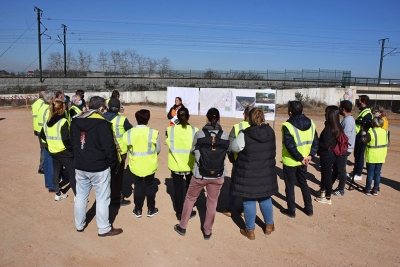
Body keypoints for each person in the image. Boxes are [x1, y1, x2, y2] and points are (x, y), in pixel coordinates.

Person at [174, 108, 230, 240]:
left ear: (207, 118)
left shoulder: (199, 134)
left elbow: (193, 150)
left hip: (200, 174)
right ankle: (207, 231)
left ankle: (182, 226)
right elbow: (226, 152)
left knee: (190, 199)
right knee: (212, 202)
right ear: (219, 118)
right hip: (218, 175)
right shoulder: (225, 135)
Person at [71, 96, 122, 237]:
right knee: (102, 198)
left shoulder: (76, 120)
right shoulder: (103, 124)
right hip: (99, 167)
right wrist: (113, 164)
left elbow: (73, 142)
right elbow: (109, 148)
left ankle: (79, 224)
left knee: (81, 196)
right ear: (100, 108)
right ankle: (104, 228)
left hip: (80, 165)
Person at [230, 108, 278, 240]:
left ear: (249, 119)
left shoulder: (245, 134)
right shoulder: (270, 132)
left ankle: (250, 230)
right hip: (266, 172)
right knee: (265, 198)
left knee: (249, 200)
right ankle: (269, 225)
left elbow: (235, 147)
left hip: (248, 173)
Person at [120, 109, 161, 218]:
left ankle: (138, 210)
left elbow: (124, 149)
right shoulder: (153, 132)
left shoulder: (129, 133)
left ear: (136, 119)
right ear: (148, 119)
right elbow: (158, 149)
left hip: (135, 165)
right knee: (150, 186)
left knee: (138, 187)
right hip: (150, 164)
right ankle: (151, 209)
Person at [281, 101, 318, 217]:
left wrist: (301, 158)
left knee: (290, 186)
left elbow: (289, 145)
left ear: (290, 112)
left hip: (291, 161)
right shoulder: (311, 123)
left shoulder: (287, 125)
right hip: (305, 160)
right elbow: (315, 142)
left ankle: (291, 211)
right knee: (303, 184)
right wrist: (310, 156)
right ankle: (309, 208)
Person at [166, 107, 198, 220]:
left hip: (176, 165)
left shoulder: (170, 130)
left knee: (178, 189)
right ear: (188, 117)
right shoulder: (195, 130)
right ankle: (188, 211)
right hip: (190, 164)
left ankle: (179, 213)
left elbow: (168, 142)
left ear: (177, 117)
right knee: (190, 190)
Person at [40, 100, 76, 201]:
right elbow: (65, 138)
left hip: (53, 151)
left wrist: (49, 145)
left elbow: (42, 135)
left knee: (56, 171)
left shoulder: (48, 121)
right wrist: (71, 149)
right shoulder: (63, 121)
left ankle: (58, 193)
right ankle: (77, 196)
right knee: (72, 173)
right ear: (60, 109)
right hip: (64, 152)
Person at [222, 105, 253, 217]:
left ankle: (229, 208)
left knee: (234, 185)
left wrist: (232, 160)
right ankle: (245, 210)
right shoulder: (259, 127)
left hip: (239, 161)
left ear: (244, 115)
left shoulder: (237, 126)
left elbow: (230, 147)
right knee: (248, 186)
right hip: (253, 162)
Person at [103, 98, 132, 206]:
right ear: (119, 108)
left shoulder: (101, 117)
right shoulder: (122, 120)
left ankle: (105, 197)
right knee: (117, 177)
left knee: (105, 175)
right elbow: (130, 131)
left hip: (104, 152)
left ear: (108, 107)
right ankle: (116, 199)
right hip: (119, 152)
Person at [315, 106, 343, 205]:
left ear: (330, 115)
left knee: (326, 176)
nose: (324, 114)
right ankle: (322, 191)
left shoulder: (328, 128)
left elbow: (325, 144)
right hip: (333, 154)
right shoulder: (338, 126)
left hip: (326, 154)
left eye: (326, 113)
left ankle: (327, 197)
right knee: (325, 174)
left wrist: (317, 145)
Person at [332, 100, 356, 196]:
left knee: (341, 169)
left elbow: (345, 137)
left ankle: (341, 189)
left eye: (340, 107)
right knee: (337, 168)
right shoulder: (347, 119)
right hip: (343, 148)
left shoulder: (348, 121)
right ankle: (330, 185)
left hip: (344, 149)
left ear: (343, 109)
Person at [361, 118, 389, 196]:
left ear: (374, 124)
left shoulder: (371, 132)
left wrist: (363, 133)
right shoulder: (385, 132)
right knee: (377, 173)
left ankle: (368, 189)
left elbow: (364, 140)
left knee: (370, 173)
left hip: (372, 155)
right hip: (381, 155)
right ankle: (375, 189)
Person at [37, 90, 56, 192]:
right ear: (51, 99)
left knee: (48, 162)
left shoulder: (42, 107)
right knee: (51, 162)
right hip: (49, 139)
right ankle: (52, 185)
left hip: (44, 138)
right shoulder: (49, 109)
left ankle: (48, 183)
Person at [351, 95, 372, 181]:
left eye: (359, 100)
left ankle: (358, 173)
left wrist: (359, 122)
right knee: (356, 154)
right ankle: (355, 171)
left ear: (363, 102)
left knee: (360, 155)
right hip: (358, 135)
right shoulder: (363, 111)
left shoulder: (367, 112)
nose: (358, 102)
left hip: (362, 136)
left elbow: (368, 123)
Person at [31, 91, 45, 174]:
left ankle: (42, 165)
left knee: (42, 148)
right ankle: (42, 166)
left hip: (37, 128)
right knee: (44, 149)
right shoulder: (43, 104)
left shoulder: (35, 104)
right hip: (42, 129)